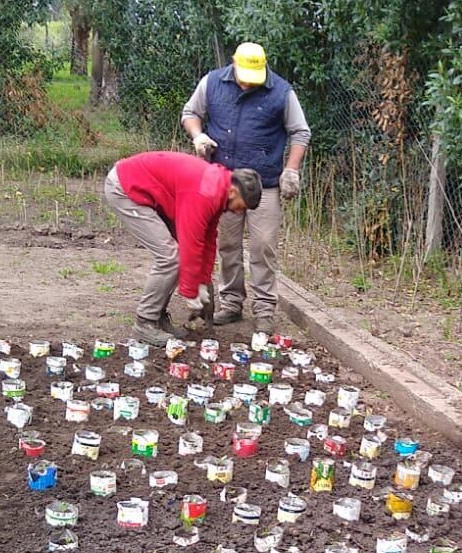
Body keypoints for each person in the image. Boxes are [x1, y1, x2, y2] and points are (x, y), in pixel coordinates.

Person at [181, 41, 311, 325]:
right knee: (227, 244)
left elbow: (300, 132)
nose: (249, 84)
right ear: (233, 63)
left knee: (263, 246)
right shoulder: (212, 82)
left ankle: (264, 309)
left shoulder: (281, 91)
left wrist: (291, 170)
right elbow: (190, 114)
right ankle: (231, 303)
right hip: (224, 182)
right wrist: (198, 136)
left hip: (265, 184)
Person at [105, 152, 262, 345]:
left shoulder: (218, 190)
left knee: (176, 256)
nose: (240, 211)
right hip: (126, 187)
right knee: (170, 257)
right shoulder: (204, 193)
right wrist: (191, 292)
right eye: (242, 206)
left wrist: (203, 282)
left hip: (149, 191)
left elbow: (208, 240)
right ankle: (144, 323)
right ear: (234, 192)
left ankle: (157, 317)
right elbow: (190, 242)